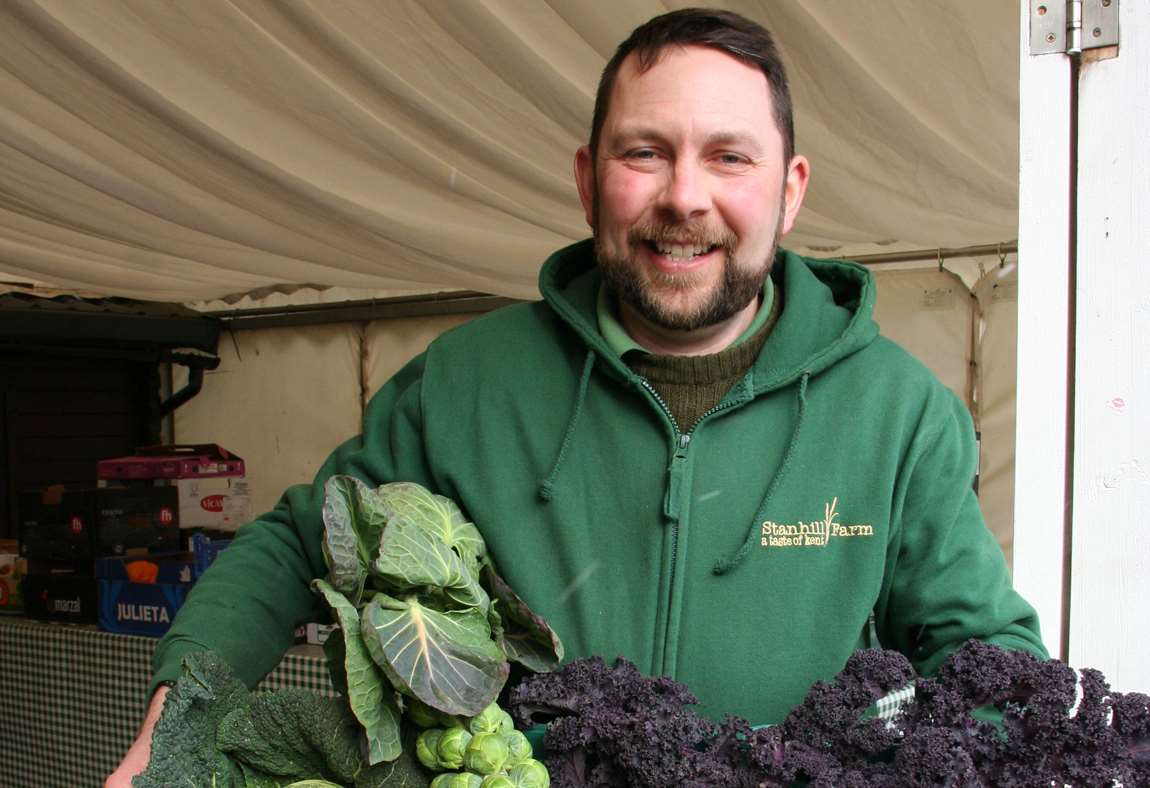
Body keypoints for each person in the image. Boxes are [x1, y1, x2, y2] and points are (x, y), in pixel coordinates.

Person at [108, 8, 1045, 784]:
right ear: (588, 179)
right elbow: (294, 545)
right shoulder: (468, 382)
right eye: (645, 152)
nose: (685, 197)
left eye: (730, 157)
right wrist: (171, 725)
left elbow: (987, 654)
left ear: (790, 191)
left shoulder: (896, 412)